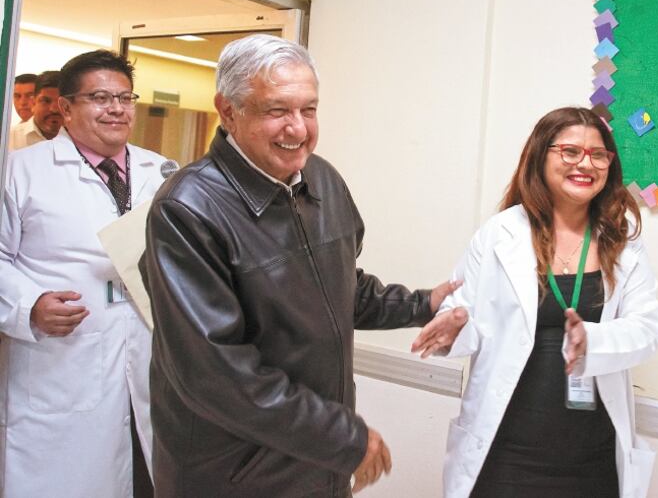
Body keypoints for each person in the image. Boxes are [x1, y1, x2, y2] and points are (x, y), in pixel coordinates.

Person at [142, 34, 457, 497]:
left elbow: (340, 288)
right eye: (277, 111)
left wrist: (423, 303)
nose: (298, 129)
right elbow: (216, 372)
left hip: (313, 462)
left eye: (308, 110)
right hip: (234, 474)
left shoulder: (321, 179)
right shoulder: (187, 210)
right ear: (228, 110)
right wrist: (343, 438)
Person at [413, 106, 658, 498]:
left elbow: (647, 328)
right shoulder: (500, 234)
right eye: (570, 151)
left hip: (593, 455)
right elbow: (465, 315)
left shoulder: (622, 238)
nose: (586, 164)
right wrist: (452, 330)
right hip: (506, 451)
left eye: (598, 155)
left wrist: (591, 341)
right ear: (539, 155)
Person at [0, 50, 166, 497]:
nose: (116, 108)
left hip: (148, 366)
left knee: (147, 479)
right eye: (99, 97)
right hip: (63, 366)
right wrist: (28, 304)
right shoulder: (20, 172)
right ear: (66, 108)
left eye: (125, 98)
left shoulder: (162, 172)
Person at [7, 70, 63, 151]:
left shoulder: (81, 138)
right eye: (45, 101)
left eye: (60, 102)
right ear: (34, 103)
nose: (54, 109)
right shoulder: (8, 138)